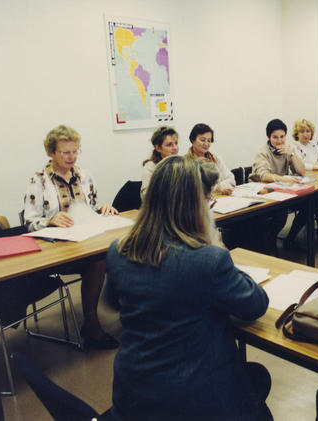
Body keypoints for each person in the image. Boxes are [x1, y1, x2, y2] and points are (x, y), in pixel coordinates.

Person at [106, 156, 271, 420]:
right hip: (192, 403)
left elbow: (114, 303)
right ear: (195, 205)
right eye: (208, 200)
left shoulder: (119, 250)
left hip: (133, 396)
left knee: (255, 377)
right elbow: (255, 304)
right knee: (258, 389)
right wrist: (217, 246)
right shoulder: (209, 260)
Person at [23, 124, 119, 349]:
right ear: (51, 152)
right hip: (55, 249)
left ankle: (129, 311)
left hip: (85, 241)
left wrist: (101, 209)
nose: (72, 157)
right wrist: (50, 220)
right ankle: (91, 326)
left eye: (75, 151)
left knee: (115, 252)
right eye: (65, 152)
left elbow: (90, 209)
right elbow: (28, 222)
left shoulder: (84, 176)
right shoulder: (39, 180)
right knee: (98, 261)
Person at [249, 119, 306, 254]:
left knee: (310, 204)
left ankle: (290, 239)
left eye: (282, 137)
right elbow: (264, 175)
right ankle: (270, 243)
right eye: (275, 137)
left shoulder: (287, 149)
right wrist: (284, 179)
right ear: (268, 137)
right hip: (262, 192)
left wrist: (292, 154)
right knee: (281, 213)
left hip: (282, 191)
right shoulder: (262, 152)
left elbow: (301, 171)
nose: (279, 141)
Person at [187, 123, 236, 194]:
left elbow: (231, 179)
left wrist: (221, 187)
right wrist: (217, 188)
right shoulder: (186, 162)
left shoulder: (215, 158)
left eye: (209, 141)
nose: (206, 144)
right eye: (202, 140)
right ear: (192, 140)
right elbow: (194, 188)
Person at [141, 126, 179, 200]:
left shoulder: (182, 165)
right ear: (158, 148)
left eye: (176, 143)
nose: (175, 148)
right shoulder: (151, 167)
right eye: (169, 145)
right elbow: (146, 195)